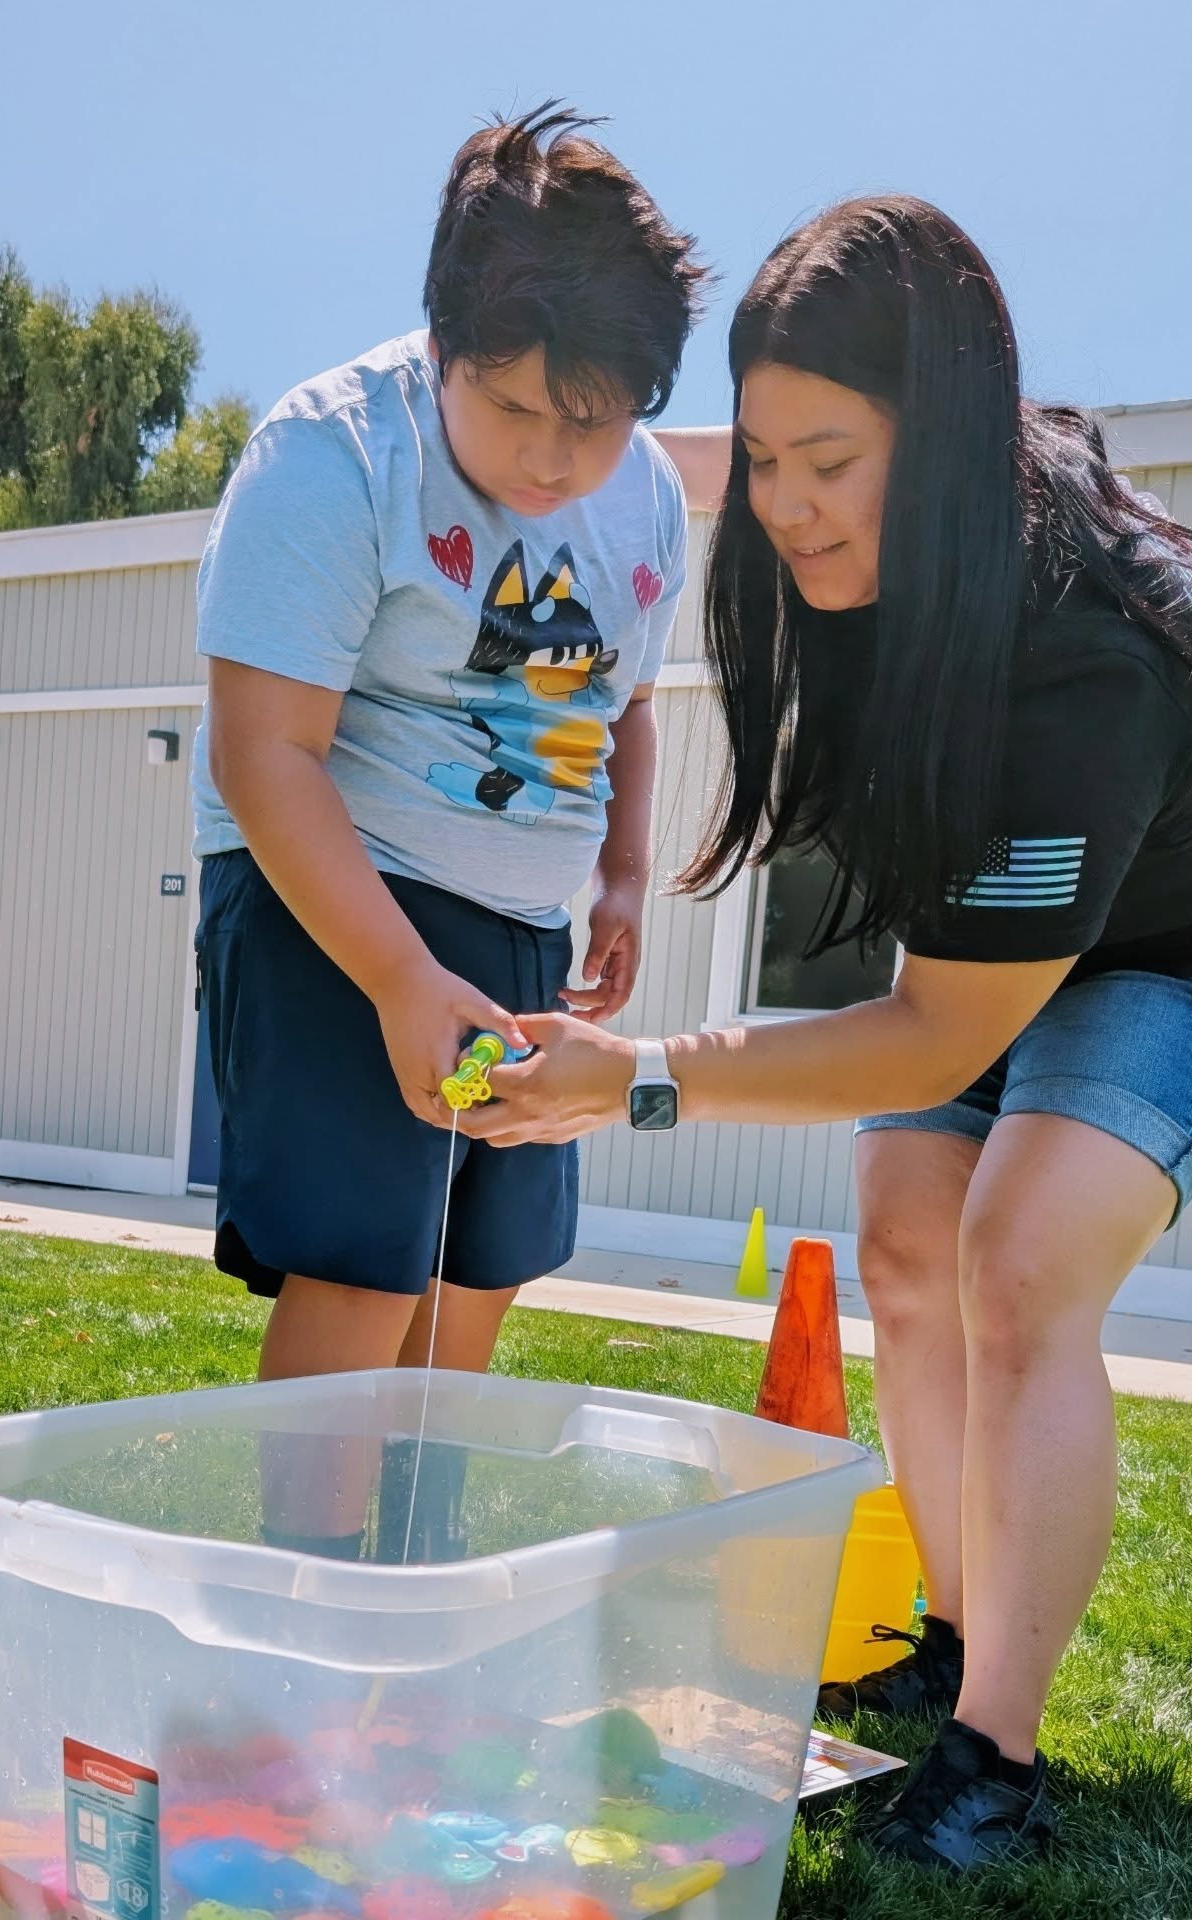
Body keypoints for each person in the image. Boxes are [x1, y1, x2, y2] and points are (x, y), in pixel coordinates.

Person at [444, 195, 1192, 1869]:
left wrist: (634, 1082)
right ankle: (950, 1632)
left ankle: (998, 1748)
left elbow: (928, 1041)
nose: (786, 504)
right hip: (1017, 930)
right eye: (767, 456)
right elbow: (676, 460)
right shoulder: (853, 548)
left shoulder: (1093, 654)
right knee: (905, 1239)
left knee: (1016, 1261)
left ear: (942, 439)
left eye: (829, 460)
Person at [190, 104, 705, 1559]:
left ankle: (417, 1578)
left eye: (591, 420)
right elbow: (262, 753)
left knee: (485, 1260)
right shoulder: (331, 457)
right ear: (443, 345)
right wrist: (401, 977)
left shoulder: (649, 498)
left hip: (523, 931)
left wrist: (620, 876)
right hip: (337, 901)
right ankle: (310, 1592)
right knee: (363, 1256)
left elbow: (631, 703)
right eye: (515, 408)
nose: (549, 458)